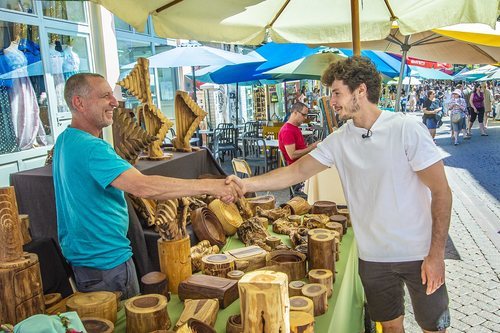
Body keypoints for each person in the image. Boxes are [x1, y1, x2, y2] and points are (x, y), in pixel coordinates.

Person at [228, 57, 452, 333]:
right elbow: (296, 172)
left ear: (360, 90)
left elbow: (441, 191)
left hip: (418, 252)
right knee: (391, 328)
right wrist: (246, 184)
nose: (331, 101)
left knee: (434, 327)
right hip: (373, 258)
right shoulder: (339, 140)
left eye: (336, 92)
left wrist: (436, 254)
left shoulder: (406, 129)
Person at [53, 73, 242, 299]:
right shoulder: (92, 148)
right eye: (105, 96)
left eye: (112, 95)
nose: (115, 102)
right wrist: (212, 186)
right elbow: (143, 187)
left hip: (86, 262)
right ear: (79, 103)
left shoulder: (65, 139)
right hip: (106, 264)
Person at [278, 102, 320, 195]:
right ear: (295, 113)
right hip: (297, 172)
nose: (305, 118)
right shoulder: (287, 130)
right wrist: (312, 147)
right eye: (304, 115)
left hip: (302, 168)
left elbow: (301, 149)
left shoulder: (294, 128)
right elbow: (292, 155)